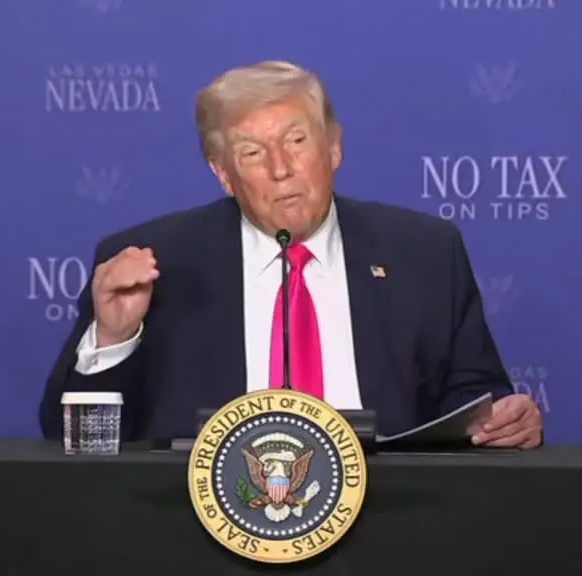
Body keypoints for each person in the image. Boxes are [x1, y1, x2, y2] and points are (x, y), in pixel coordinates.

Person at [39, 60, 543, 448]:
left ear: (334, 148)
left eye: (296, 140)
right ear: (223, 174)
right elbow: (68, 442)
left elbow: (474, 400)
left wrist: (504, 420)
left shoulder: (424, 252)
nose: (281, 168)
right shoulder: (158, 264)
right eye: (252, 153)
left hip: (390, 517)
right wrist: (114, 339)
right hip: (200, 524)